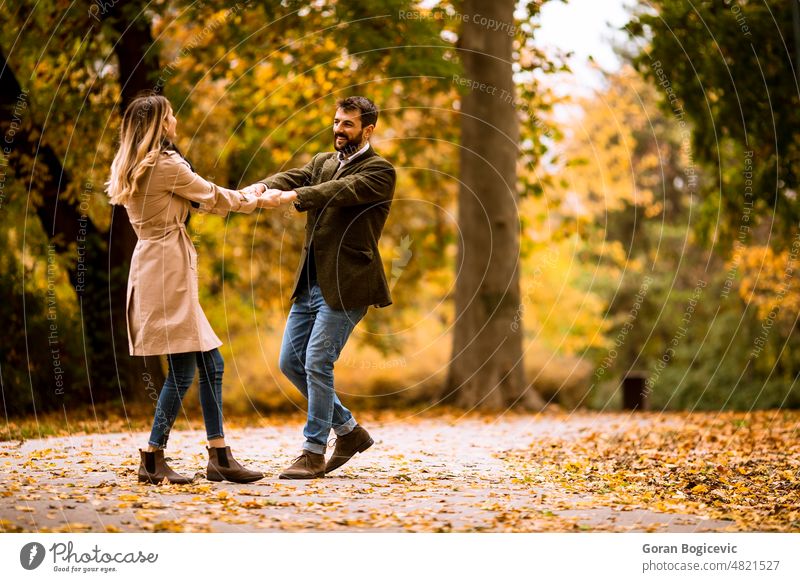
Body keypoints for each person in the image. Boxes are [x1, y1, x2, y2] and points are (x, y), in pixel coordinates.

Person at [106, 93, 290, 484]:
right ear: (159, 125)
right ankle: (154, 457)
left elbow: (198, 201)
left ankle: (218, 455)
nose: (175, 121)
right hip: (167, 271)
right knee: (185, 370)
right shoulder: (165, 164)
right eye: (170, 116)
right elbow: (213, 195)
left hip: (157, 265)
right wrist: (256, 198)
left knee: (209, 364)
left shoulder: (135, 164)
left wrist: (240, 199)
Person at [258, 96, 396, 479]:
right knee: (290, 362)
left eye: (348, 124)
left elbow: (340, 190)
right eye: (337, 121)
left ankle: (313, 451)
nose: (339, 129)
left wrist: (293, 198)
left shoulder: (380, 171)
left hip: (348, 285)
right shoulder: (322, 162)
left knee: (317, 361)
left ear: (368, 129)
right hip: (311, 282)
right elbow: (296, 177)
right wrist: (261, 188)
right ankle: (349, 432)